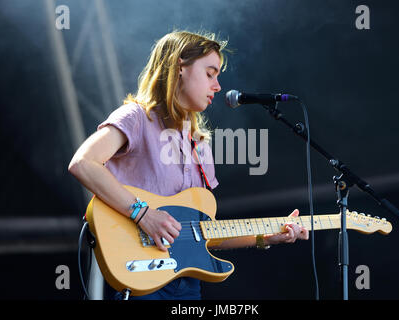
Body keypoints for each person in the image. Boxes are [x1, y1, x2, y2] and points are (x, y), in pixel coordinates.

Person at [68, 30, 309, 300]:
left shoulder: (200, 147)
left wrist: (265, 237)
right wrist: (143, 214)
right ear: (179, 67)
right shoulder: (137, 117)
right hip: (140, 277)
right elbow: (83, 163)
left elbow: (202, 232)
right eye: (210, 73)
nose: (217, 86)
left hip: (187, 286)